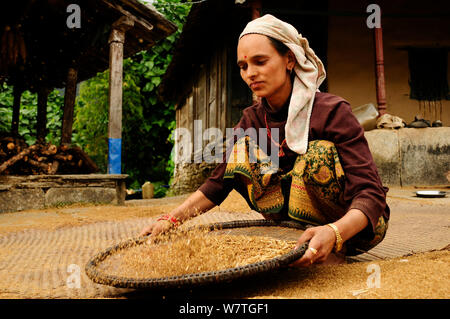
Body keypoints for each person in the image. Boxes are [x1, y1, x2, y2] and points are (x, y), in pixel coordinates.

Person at [140, 14, 389, 267]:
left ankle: (332, 247)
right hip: (292, 227)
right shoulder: (251, 120)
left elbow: (371, 193)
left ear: (289, 59)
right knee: (240, 152)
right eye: (243, 66)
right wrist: (170, 220)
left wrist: (335, 232)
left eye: (260, 61)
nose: (251, 73)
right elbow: (217, 182)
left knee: (317, 155)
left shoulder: (333, 111)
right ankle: (294, 238)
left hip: (354, 227)